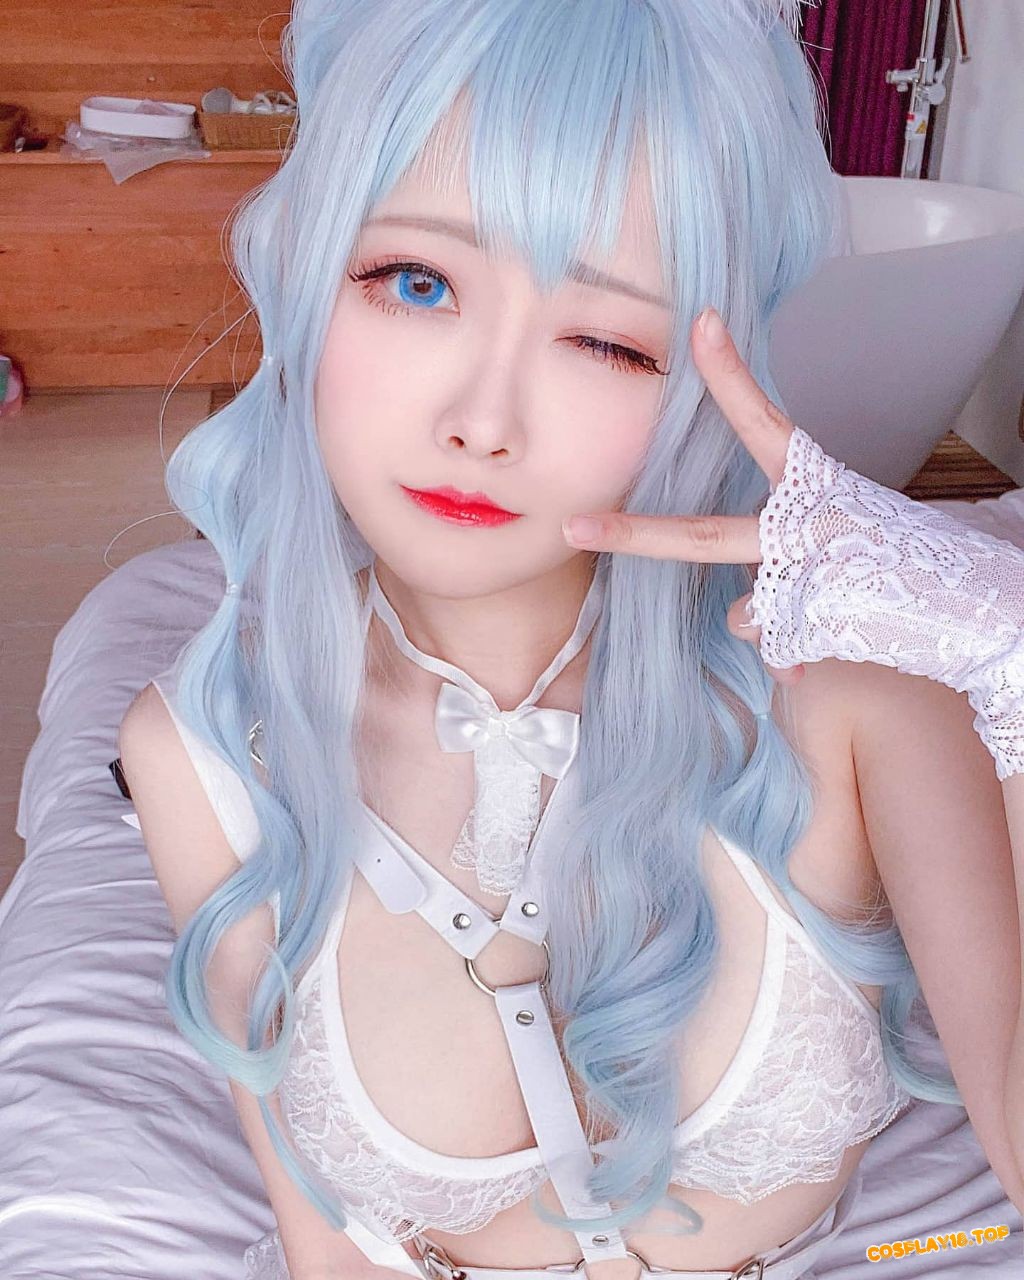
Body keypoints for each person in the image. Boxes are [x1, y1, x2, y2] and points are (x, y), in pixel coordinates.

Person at [116, 2, 1024, 1278]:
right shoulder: (205, 748)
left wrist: (1008, 647)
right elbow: (325, 1245)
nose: (482, 420)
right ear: (310, 277)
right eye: (417, 282)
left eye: (604, 338)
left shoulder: (853, 696)